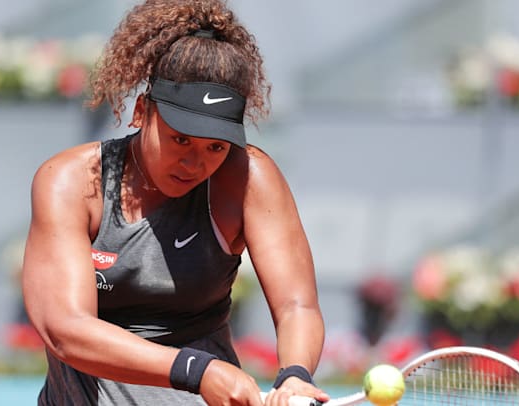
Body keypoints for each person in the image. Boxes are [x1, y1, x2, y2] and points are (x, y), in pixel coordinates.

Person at [21, 0, 328, 405]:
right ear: (141, 112)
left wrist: (295, 375)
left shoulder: (249, 178)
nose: (194, 163)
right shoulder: (70, 181)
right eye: (180, 138)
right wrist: (198, 371)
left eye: (215, 146)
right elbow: (65, 329)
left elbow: (296, 306)